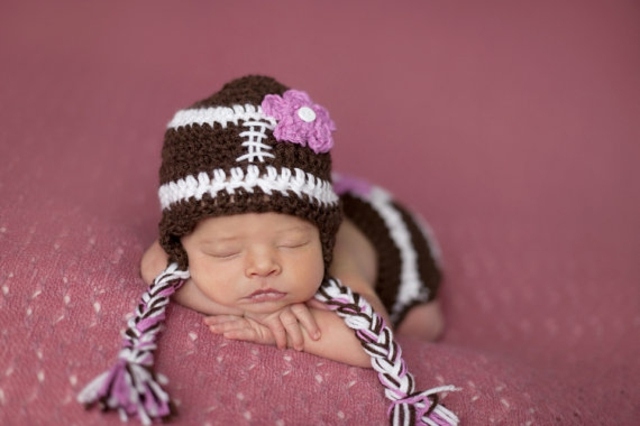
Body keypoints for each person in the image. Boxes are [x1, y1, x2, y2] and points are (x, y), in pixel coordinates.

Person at [78, 75, 458, 426]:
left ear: (322, 239)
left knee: (422, 325)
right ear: (182, 243)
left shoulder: (337, 258)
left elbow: (370, 339)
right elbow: (154, 267)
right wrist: (242, 307)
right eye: (226, 252)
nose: (263, 266)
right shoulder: (177, 246)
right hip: (292, 190)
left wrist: (272, 329)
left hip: (391, 240)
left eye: (293, 244)